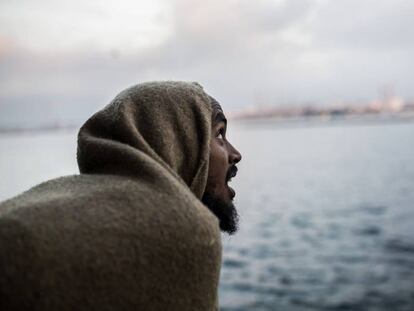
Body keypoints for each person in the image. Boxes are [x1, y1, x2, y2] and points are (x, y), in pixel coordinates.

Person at [0, 81, 242, 311]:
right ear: (178, 141)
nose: (236, 154)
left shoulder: (54, 194)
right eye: (219, 134)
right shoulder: (188, 230)